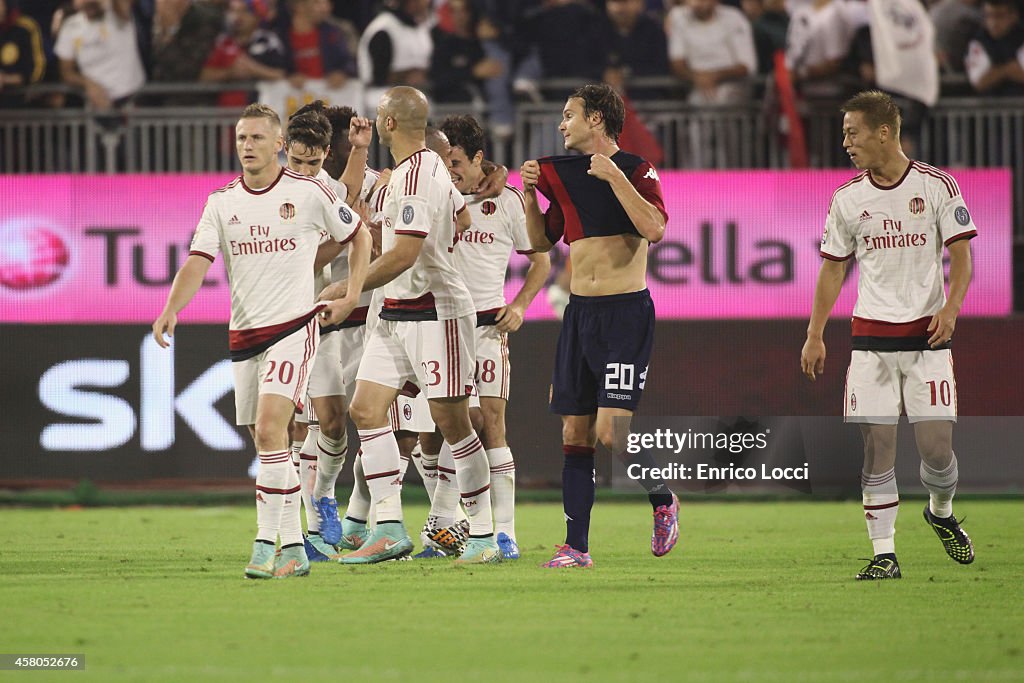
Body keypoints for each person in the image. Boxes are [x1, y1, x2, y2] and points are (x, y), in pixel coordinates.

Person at [151, 103, 370, 579]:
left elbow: (359, 235)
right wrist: (172, 308)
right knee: (266, 443)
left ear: (278, 145)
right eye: (241, 138)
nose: (246, 146)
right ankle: (292, 545)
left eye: (255, 138)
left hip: (295, 326)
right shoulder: (221, 202)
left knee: (274, 428)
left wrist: (353, 293)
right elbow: (197, 261)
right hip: (245, 334)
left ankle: (264, 543)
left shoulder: (309, 192)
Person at [318, 86, 500, 565]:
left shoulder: (417, 175)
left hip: (436, 312)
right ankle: (391, 526)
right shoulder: (424, 168)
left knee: (453, 423)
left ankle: (484, 534)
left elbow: (404, 253)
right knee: (366, 410)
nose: (377, 122)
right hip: (397, 311)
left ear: (390, 124)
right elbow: (461, 219)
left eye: (380, 115)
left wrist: (350, 288)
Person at [801, 90, 977, 580]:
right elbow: (833, 270)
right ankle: (885, 554)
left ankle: (940, 512)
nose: (846, 143)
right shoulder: (847, 198)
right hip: (870, 344)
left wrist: (952, 308)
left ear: (884, 132)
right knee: (876, 450)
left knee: (937, 453)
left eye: (852, 133)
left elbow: (961, 256)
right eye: (844, 134)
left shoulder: (938, 186)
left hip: (927, 342)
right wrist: (815, 333)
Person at [520, 83, 679, 569]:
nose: (561, 124)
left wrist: (614, 178)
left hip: (624, 314)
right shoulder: (563, 177)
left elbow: (654, 229)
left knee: (614, 433)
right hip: (580, 314)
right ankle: (577, 547)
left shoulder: (635, 170)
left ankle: (663, 499)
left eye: (569, 115)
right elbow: (541, 243)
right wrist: (530, 197)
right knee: (576, 431)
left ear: (597, 120)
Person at [439, 113, 551, 561]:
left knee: (494, 424)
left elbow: (541, 261)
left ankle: (504, 533)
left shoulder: (506, 202)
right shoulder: (440, 197)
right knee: (460, 425)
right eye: (445, 162)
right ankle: (460, 523)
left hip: (489, 328)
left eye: (458, 162)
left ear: (479, 158)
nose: (451, 171)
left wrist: (520, 306)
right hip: (445, 329)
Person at [54, 0, 146, 111]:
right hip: (95, 107)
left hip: (132, 101)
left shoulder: (118, 13)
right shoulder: (70, 26)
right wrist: (88, 84)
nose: (89, 2)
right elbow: (67, 73)